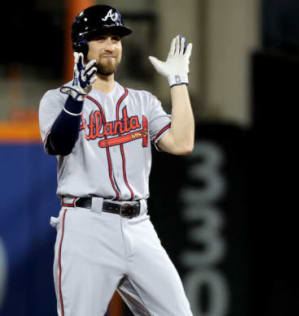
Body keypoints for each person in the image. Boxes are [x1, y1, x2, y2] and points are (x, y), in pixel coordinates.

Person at [38, 5, 194, 316]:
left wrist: (178, 82)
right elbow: (59, 143)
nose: (111, 46)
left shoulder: (142, 101)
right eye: (101, 38)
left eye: (115, 38)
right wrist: (77, 97)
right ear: (81, 45)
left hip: (139, 225)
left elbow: (182, 143)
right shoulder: (56, 99)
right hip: (86, 225)